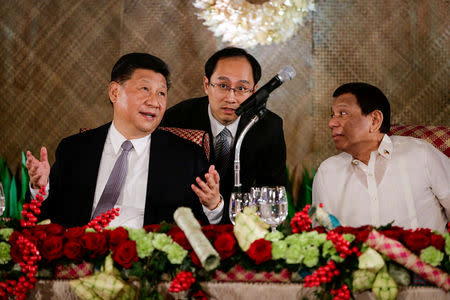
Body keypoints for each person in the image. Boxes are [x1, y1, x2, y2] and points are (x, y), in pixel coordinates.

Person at [25, 53, 222, 228]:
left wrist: (213, 206)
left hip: (149, 263)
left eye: (161, 93)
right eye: (145, 89)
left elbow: (204, 229)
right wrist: (39, 189)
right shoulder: (74, 150)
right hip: (83, 258)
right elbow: (47, 219)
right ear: (115, 92)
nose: (154, 102)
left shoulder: (186, 157)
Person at [161, 47, 287, 223]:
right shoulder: (177, 119)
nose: (231, 98)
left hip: (242, 230)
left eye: (242, 88)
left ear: (255, 91)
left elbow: (272, 195)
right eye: (222, 86)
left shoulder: (268, 127)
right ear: (206, 85)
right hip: (184, 226)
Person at [312, 82, 450, 232]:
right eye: (332, 115)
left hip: (425, 255)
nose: (331, 123)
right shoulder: (327, 172)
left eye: (343, 114)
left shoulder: (421, 153)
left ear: (375, 120)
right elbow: (323, 238)